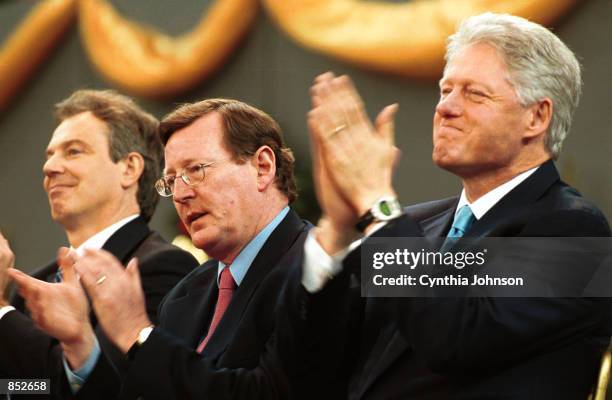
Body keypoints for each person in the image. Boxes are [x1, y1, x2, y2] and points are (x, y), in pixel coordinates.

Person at [280, 12, 612, 399]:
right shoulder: (416, 226)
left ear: (536, 117)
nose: (446, 108)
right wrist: (335, 232)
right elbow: (309, 363)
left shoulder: (574, 232)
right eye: (445, 90)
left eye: (474, 94)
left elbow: (454, 339)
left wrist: (376, 203)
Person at [11, 98, 311, 399]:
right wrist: (80, 348)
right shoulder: (186, 293)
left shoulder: (321, 268)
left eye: (196, 170)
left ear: (263, 167)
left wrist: (137, 334)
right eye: (171, 181)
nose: (179, 194)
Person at [0, 90, 198, 397]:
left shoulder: (162, 267)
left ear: (129, 168)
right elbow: (20, 390)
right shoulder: (35, 284)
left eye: (73, 151)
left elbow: (116, 388)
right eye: (49, 155)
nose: (49, 168)